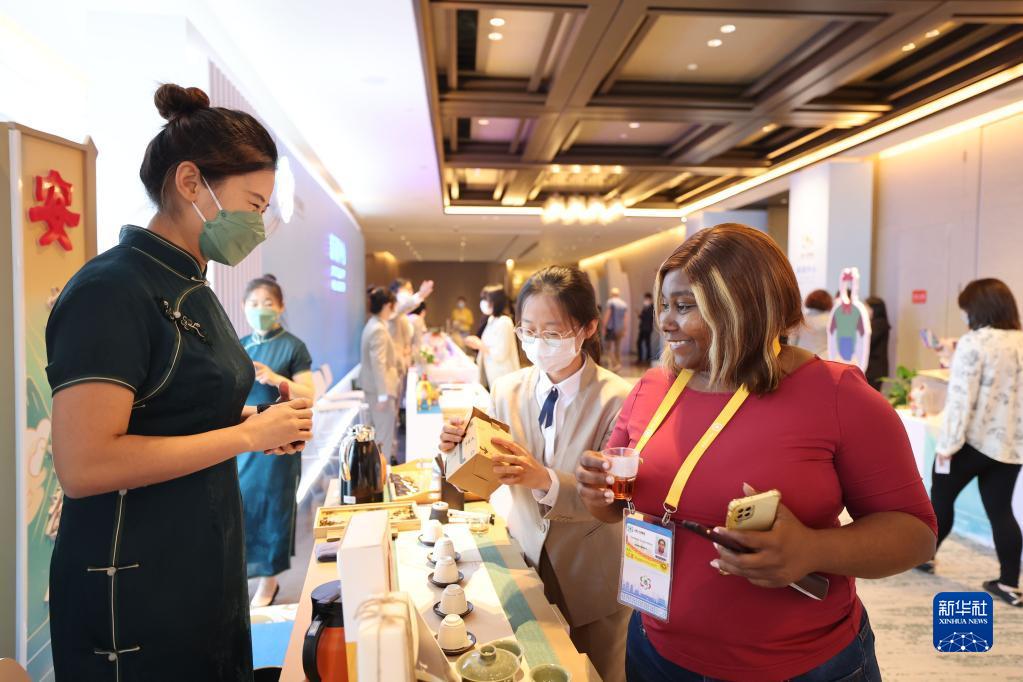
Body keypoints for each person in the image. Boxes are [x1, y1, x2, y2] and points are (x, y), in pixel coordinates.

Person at [575, 224, 937, 681]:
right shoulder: (653, 387)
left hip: (800, 665)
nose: (664, 322)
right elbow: (619, 504)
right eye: (664, 305)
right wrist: (598, 494)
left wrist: (812, 549)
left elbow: (915, 533)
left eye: (684, 306)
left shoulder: (837, 395)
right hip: (656, 650)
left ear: (745, 306)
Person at [45, 84, 312, 679]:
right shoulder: (112, 288)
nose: (258, 224)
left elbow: (176, 413)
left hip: (201, 554)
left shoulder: (192, 285)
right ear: (191, 182)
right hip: (135, 579)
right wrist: (246, 437)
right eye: (253, 204)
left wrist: (257, 423)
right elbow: (84, 464)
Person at [440, 266, 632, 681]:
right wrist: (459, 449)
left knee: (597, 673)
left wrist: (544, 479)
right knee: (532, 666)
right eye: (527, 331)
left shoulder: (618, 399)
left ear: (588, 328)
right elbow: (489, 473)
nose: (537, 343)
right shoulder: (507, 389)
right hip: (524, 558)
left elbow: (615, 498)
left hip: (591, 574)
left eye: (552, 333)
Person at [926, 278, 1022, 606]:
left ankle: (926, 556)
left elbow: (961, 400)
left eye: (966, 309)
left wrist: (946, 447)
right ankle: (1009, 583)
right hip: (1010, 446)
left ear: (978, 309)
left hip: (970, 442)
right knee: (1001, 511)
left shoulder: (974, 343)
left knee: (941, 500)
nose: (965, 316)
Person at [237, 274, 314, 608]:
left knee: (273, 507)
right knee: (242, 507)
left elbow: (310, 395)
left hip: (279, 441)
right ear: (243, 307)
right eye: (254, 304)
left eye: (267, 303)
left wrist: (275, 378)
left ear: (280, 307)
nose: (260, 310)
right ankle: (243, 576)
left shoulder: (293, 346)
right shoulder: (238, 345)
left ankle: (269, 581)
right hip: (241, 439)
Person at [361, 287, 401, 463]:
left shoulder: (373, 324)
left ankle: (378, 472)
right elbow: (378, 364)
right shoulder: (378, 329)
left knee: (378, 435)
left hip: (374, 389)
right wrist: (383, 395)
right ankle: (382, 474)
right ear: (387, 305)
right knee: (383, 437)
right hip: (380, 391)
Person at [465, 284, 520, 388]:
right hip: (492, 375)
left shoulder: (505, 322)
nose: (483, 303)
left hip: (504, 376)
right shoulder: (491, 320)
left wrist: (479, 345)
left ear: (496, 302)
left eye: (486, 299)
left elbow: (501, 354)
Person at [790, 289, 832, 356]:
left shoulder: (800, 319)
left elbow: (791, 342)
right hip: (824, 357)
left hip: (802, 357)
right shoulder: (831, 320)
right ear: (828, 302)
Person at [864, 296, 891, 391]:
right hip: (873, 369)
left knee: (870, 396)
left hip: (875, 369)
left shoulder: (879, 323)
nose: (864, 311)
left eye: (866, 308)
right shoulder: (875, 323)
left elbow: (868, 342)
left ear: (874, 309)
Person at [603, 287, 629, 372]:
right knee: (617, 348)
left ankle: (615, 364)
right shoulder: (623, 304)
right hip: (620, 328)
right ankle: (618, 364)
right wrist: (625, 329)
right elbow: (625, 318)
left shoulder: (611, 302)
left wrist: (604, 326)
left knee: (608, 348)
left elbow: (608, 315)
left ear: (611, 294)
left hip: (611, 328)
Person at [637, 292, 655, 364]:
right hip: (643, 328)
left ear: (649, 299)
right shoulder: (645, 307)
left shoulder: (652, 307)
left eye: (646, 299)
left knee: (647, 343)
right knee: (639, 343)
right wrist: (639, 315)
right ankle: (640, 358)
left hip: (647, 328)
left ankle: (647, 359)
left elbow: (648, 317)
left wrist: (641, 315)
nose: (645, 300)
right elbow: (643, 317)